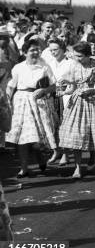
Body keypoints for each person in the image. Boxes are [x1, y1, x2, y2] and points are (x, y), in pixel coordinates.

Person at [59, 42, 95, 179]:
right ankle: (78, 167)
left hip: (93, 102)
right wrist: (65, 91)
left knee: (90, 133)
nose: (77, 58)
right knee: (75, 135)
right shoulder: (74, 67)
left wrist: (92, 90)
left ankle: (92, 155)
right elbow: (72, 86)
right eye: (75, 55)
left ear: (87, 55)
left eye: (79, 56)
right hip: (77, 103)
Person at [5, 39, 58, 178]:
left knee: (37, 138)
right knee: (22, 138)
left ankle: (40, 157)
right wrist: (7, 99)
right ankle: (24, 168)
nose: (35, 52)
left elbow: (54, 85)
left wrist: (44, 90)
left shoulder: (44, 66)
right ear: (25, 52)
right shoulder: (18, 67)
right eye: (32, 50)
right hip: (21, 102)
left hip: (38, 102)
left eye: (37, 50)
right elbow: (11, 85)